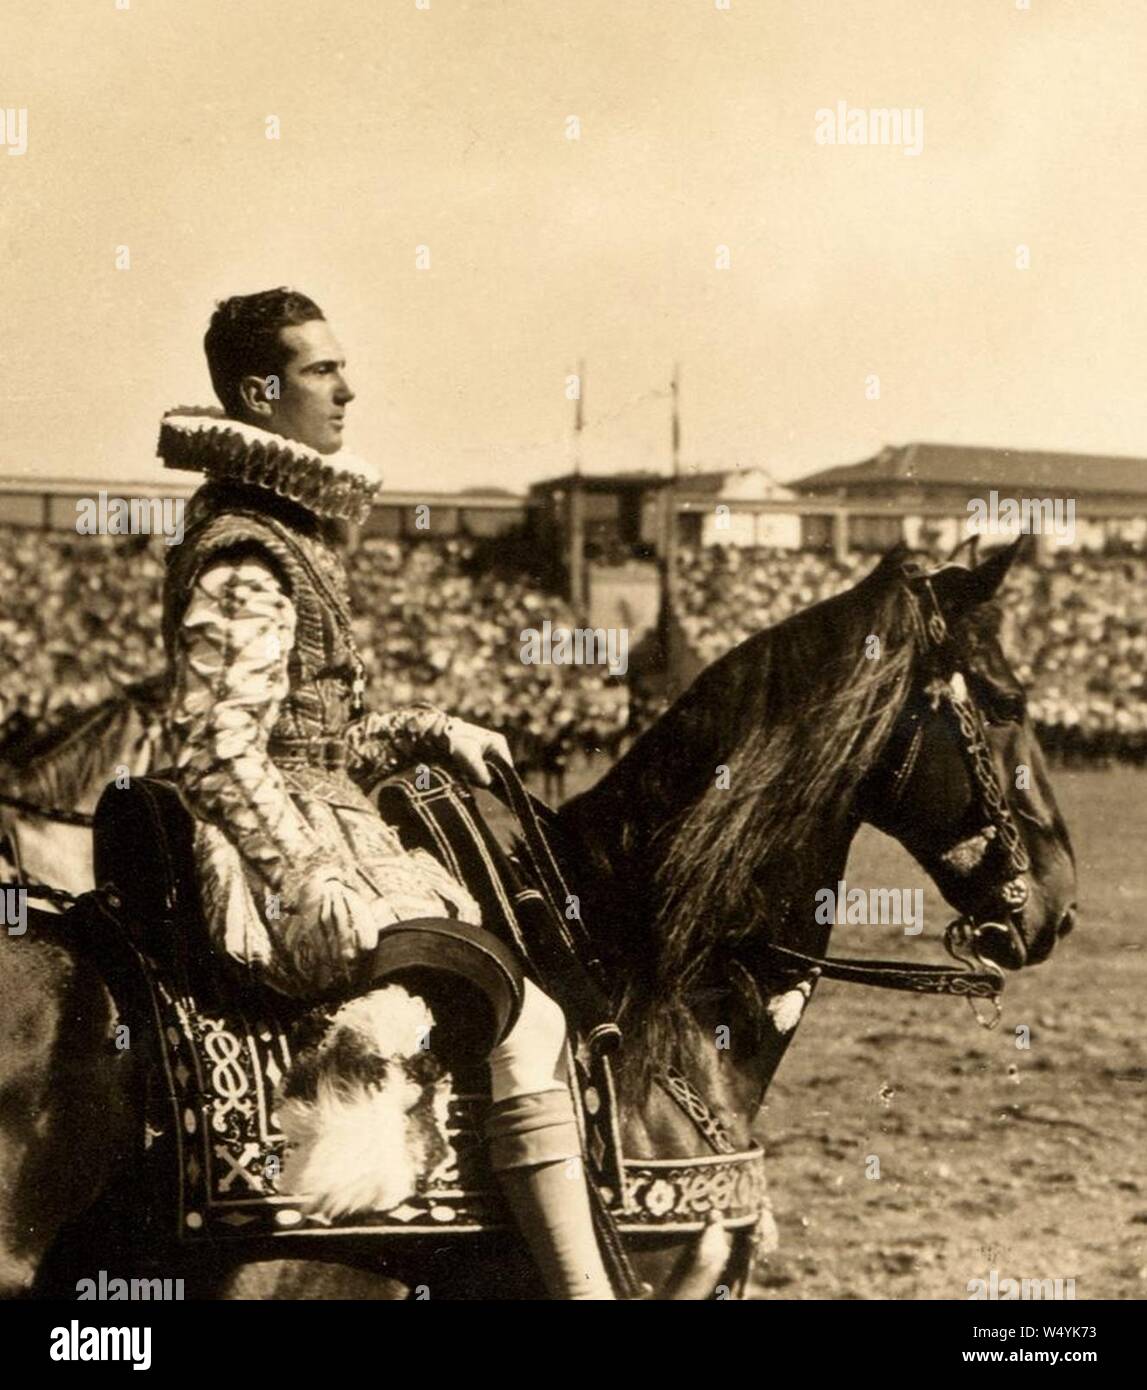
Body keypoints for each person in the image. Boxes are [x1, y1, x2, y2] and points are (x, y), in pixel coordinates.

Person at [157, 287, 614, 1299]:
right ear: (257, 391)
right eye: (323, 370)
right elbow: (216, 742)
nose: (347, 389)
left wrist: (426, 729)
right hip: (275, 846)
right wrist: (305, 871)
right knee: (528, 1019)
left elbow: (312, 728)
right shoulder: (248, 549)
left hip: (320, 813)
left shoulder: (283, 531)